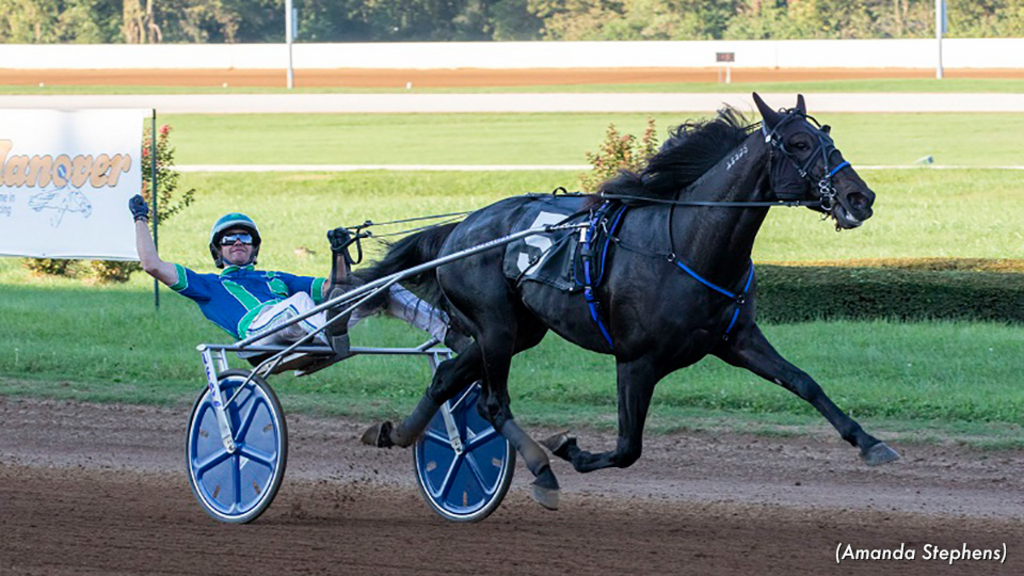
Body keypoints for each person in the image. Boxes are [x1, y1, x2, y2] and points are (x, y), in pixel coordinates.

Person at [128, 194, 460, 353]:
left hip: (305, 324)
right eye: (229, 239)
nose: (238, 242)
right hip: (260, 332)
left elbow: (336, 286)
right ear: (218, 251)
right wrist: (140, 219)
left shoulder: (277, 279)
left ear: (255, 248)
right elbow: (152, 265)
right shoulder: (208, 285)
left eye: (245, 237)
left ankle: (449, 332)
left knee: (381, 286)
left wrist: (339, 252)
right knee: (298, 301)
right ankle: (331, 332)